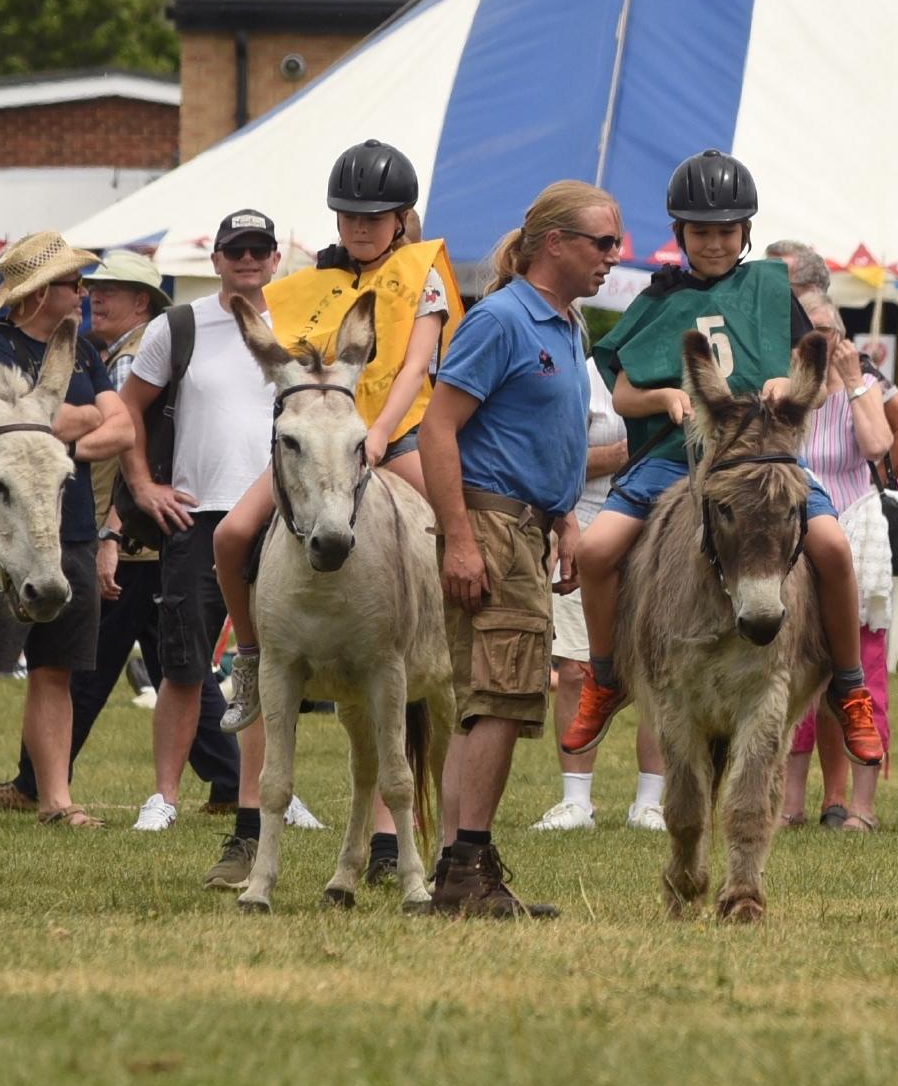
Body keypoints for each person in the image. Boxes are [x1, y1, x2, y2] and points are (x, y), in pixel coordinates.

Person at [558, 150, 880, 768]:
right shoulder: (656, 301)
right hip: (676, 457)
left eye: (725, 231)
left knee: (834, 549)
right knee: (596, 552)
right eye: (700, 231)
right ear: (679, 234)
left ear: (745, 233)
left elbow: (795, 365)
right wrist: (664, 395)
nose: (713, 243)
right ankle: (605, 679)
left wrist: (785, 388)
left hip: (761, 460)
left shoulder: (768, 286)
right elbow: (623, 392)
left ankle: (848, 684)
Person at [217, 141, 462, 733]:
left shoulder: (422, 273)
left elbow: (414, 367)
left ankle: (462, 652)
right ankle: (249, 658)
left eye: (373, 218)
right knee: (230, 536)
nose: (359, 228)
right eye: (349, 216)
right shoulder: (313, 283)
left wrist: (378, 435)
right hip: (323, 444)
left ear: (400, 219)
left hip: (397, 437)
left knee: (458, 530)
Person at [422, 181, 612, 919]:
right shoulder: (501, 318)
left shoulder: (568, 326)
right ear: (554, 243)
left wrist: (564, 517)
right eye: (602, 242)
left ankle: (456, 866)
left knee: (487, 702)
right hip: (492, 526)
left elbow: (550, 437)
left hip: (528, 526)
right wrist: (462, 537)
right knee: (498, 698)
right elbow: (439, 429)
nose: (613, 256)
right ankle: (467, 868)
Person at [1, 250, 243, 826]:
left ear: (144, 303)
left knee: (84, 665)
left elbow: (120, 449)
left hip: (132, 536)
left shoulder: (132, 361)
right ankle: (228, 777)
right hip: (150, 532)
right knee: (172, 664)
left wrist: (109, 530)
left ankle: (36, 783)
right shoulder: (114, 355)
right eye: (90, 286)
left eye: (110, 290)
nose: (94, 297)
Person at [0, 233, 133, 831]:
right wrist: (65, 425)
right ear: (40, 291)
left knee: (58, 668)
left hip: (71, 528)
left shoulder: (84, 352)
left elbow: (120, 427)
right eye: (76, 284)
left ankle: (55, 798)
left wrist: (50, 444)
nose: (84, 293)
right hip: (1, 538)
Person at [118, 210, 285, 875]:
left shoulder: (299, 322)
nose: (248, 258)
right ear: (214, 259)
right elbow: (127, 406)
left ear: (277, 259)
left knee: (275, 663)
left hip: (280, 513)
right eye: (235, 249)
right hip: (199, 513)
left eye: (260, 248)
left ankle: (272, 792)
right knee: (182, 664)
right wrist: (143, 486)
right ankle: (163, 795)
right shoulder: (176, 326)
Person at [787, 290, 898, 830]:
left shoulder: (864, 387)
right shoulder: (785, 390)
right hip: (794, 538)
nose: (819, 342)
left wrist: (853, 383)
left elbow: (878, 446)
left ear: (841, 338)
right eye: (808, 332)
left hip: (853, 536)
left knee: (863, 672)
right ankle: (790, 805)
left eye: (827, 332)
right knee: (794, 667)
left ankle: (863, 807)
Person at [533, 358, 637, 834]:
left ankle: (650, 802)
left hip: (654, 528)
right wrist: (618, 456)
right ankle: (577, 801)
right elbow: (552, 458)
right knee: (576, 667)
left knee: (660, 673)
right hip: (585, 525)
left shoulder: (671, 377)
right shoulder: (584, 373)